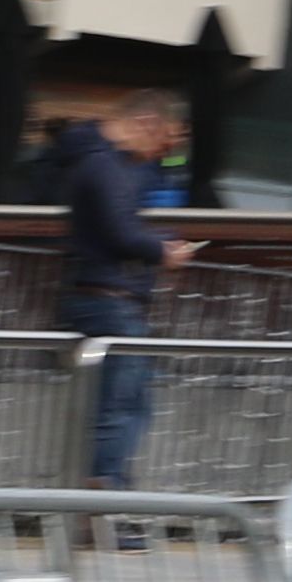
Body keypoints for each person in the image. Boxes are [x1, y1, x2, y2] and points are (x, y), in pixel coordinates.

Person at [41, 89, 194, 489]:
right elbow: (119, 232)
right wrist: (162, 250)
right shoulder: (105, 167)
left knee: (120, 406)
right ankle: (103, 495)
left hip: (98, 296)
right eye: (163, 142)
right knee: (123, 408)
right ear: (146, 124)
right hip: (110, 301)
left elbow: (116, 227)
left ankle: (100, 494)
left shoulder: (102, 164)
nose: (163, 154)